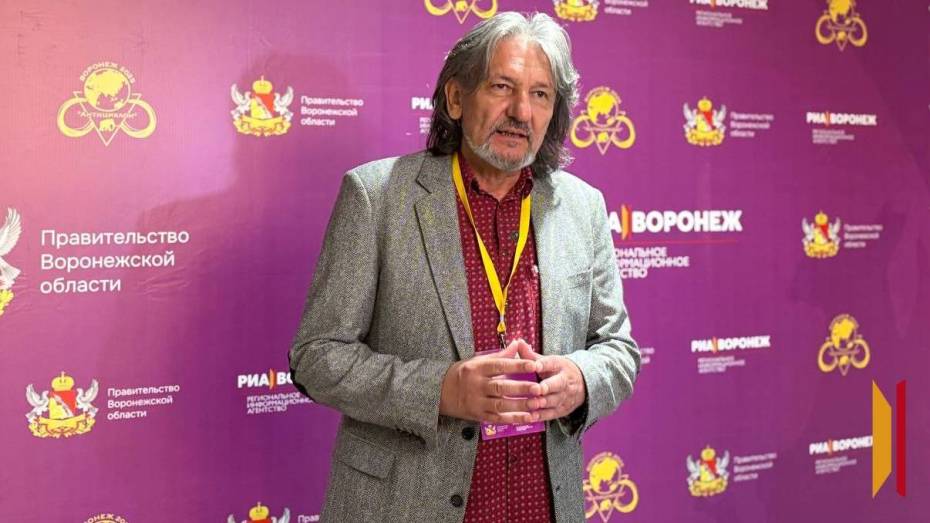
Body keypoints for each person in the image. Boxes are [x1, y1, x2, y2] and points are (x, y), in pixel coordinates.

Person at [290, 11, 640, 522]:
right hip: (404, 508)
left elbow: (619, 349)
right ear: (456, 98)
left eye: (540, 94)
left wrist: (581, 380)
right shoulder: (376, 196)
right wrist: (441, 389)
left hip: (541, 505)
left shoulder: (583, 207)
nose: (521, 111)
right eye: (502, 86)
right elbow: (317, 357)